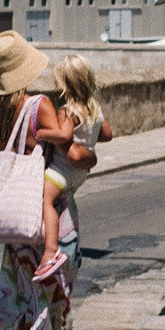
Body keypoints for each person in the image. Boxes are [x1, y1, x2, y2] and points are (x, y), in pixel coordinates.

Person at [0, 30, 87, 330]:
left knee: (26, 305)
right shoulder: (39, 106)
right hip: (48, 221)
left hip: (16, 227)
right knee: (53, 310)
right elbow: (72, 153)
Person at [33, 54, 113, 284]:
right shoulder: (94, 108)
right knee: (60, 203)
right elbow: (107, 134)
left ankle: (50, 251)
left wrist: (42, 133)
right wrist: (88, 138)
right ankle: (65, 241)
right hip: (79, 174)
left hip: (62, 170)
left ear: (65, 84)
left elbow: (64, 135)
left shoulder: (68, 110)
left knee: (45, 201)